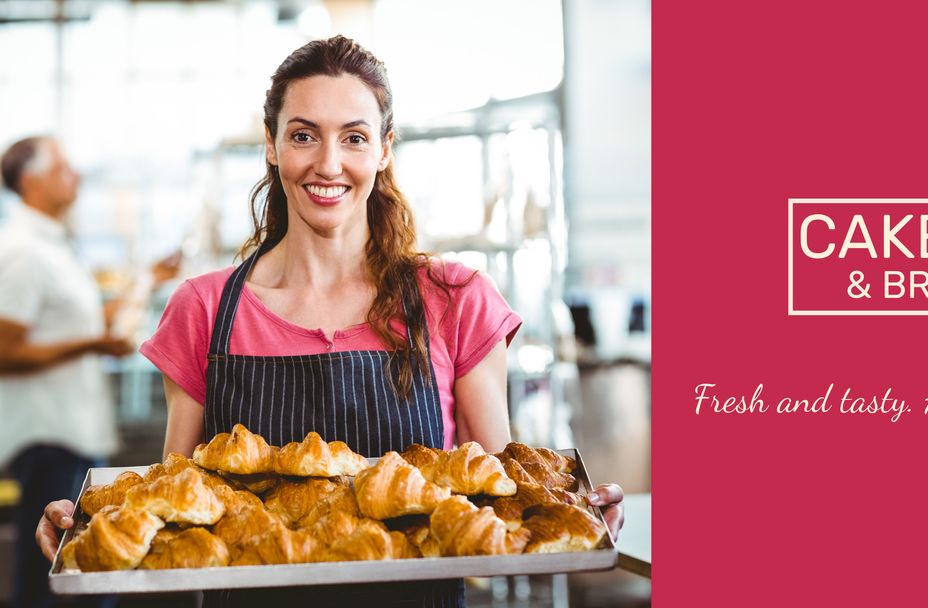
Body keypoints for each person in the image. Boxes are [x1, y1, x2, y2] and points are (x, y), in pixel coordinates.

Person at [35, 36, 624, 606]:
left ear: (385, 149)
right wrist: (86, 526)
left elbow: (497, 495)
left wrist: (574, 508)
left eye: (354, 138)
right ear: (271, 144)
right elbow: (174, 501)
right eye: (303, 135)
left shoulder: (456, 299)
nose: (328, 163)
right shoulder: (205, 310)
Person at [0, 136, 134, 608]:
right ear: (30, 181)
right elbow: (4, 348)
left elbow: (72, 322)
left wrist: (144, 286)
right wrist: (94, 343)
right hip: (47, 435)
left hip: (72, 429)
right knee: (47, 575)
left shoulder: (54, 245)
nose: (74, 173)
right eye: (62, 167)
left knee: (80, 565)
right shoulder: (22, 252)